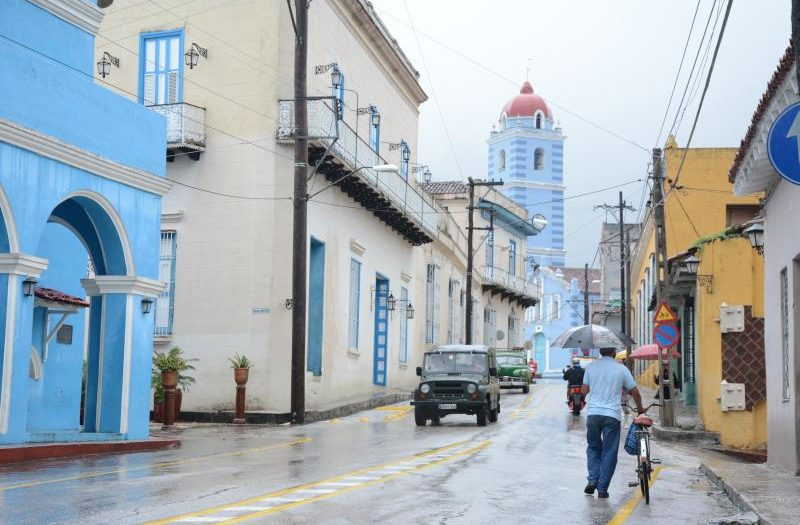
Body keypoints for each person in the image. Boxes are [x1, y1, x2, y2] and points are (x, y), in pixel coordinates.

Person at [581, 347, 644, 499]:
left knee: (593, 448)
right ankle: (602, 488)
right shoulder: (621, 369)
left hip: (593, 414)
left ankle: (592, 480)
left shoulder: (591, 367)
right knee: (609, 451)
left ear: (601, 352)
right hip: (612, 415)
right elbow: (634, 391)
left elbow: (584, 391)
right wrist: (640, 409)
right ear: (614, 353)